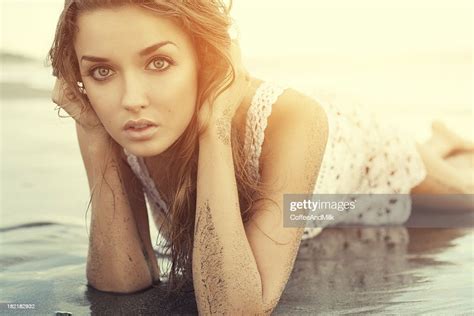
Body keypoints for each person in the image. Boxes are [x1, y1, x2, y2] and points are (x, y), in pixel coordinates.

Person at [49, 0, 473, 314]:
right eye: (101, 71)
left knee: (461, 205)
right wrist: (93, 136)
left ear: (204, 59)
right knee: (357, 214)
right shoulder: (120, 121)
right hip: (310, 205)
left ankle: (437, 146)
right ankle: (441, 143)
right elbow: (122, 282)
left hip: (359, 151)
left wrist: (214, 128)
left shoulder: (292, 117)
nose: (131, 100)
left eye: (158, 62)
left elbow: (236, 309)